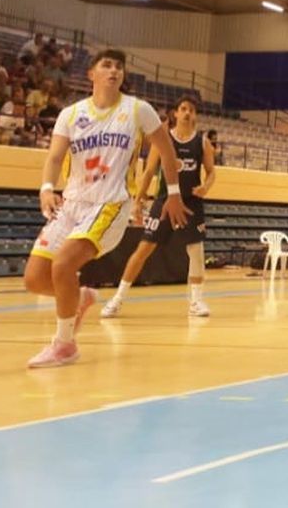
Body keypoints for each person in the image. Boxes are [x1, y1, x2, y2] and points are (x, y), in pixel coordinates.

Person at [23, 47, 190, 368]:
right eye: (107, 65)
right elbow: (55, 157)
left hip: (111, 203)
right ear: (92, 74)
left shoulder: (138, 110)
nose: (114, 71)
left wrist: (172, 193)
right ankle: (80, 297)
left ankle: (64, 345)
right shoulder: (70, 114)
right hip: (72, 203)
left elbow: (167, 151)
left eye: (119, 67)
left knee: (63, 265)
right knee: (34, 279)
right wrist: (46, 188)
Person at [101, 95, 217, 319]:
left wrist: (206, 186)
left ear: (195, 115)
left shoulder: (202, 143)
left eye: (192, 110)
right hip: (164, 201)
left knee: (196, 252)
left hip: (191, 203)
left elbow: (212, 172)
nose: (187, 113)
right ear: (176, 113)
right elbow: (148, 172)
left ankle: (196, 301)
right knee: (143, 249)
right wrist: (138, 201)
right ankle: (117, 299)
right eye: (183, 108)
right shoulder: (163, 139)